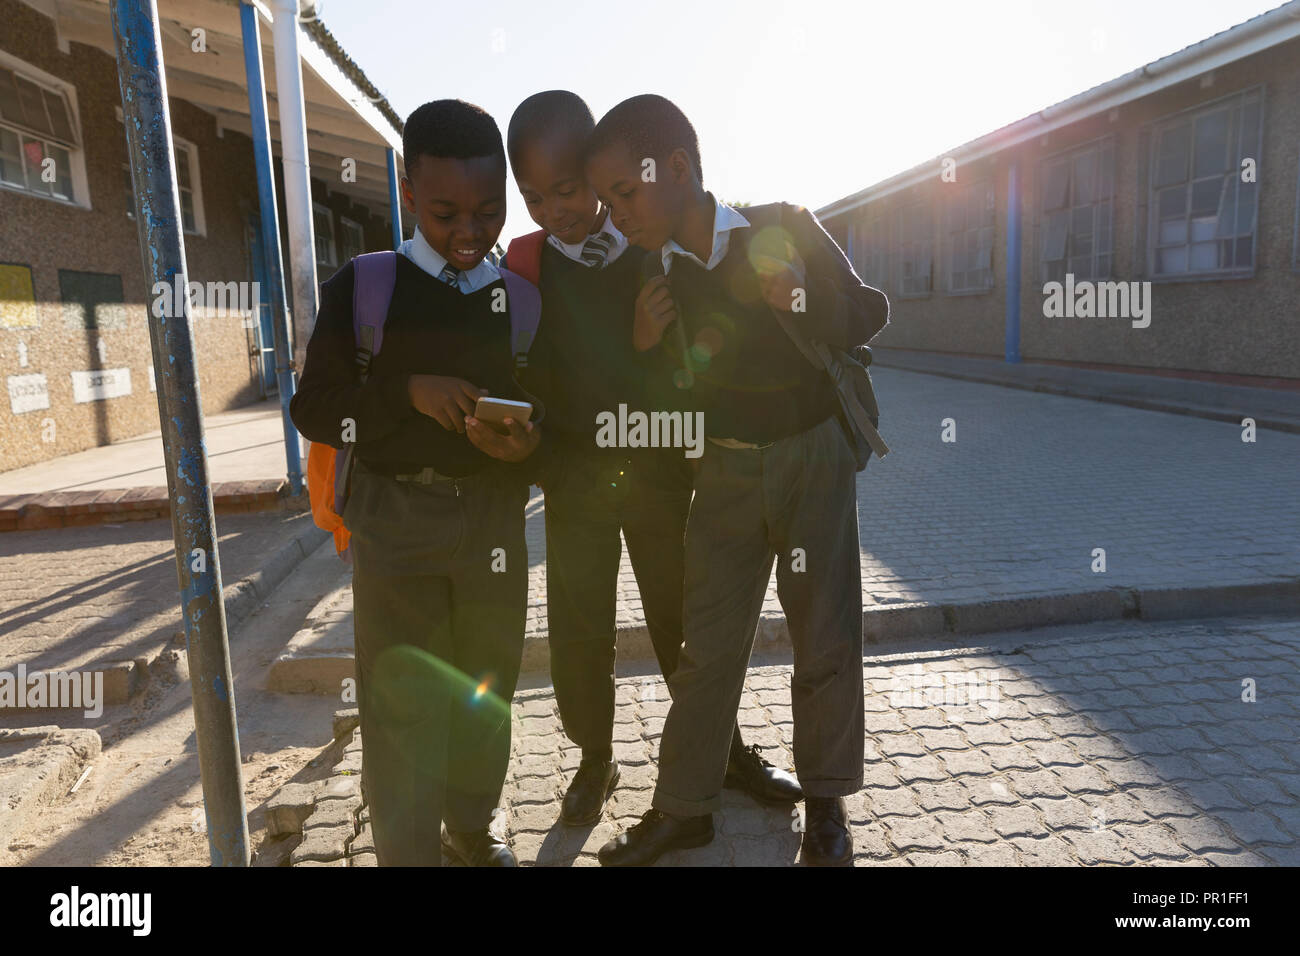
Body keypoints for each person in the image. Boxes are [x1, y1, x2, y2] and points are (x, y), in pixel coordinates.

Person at [584, 94, 889, 866]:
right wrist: (647, 343)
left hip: (813, 455)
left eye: (627, 192)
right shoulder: (653, 273)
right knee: (707, 645)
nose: (618, 216)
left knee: (824, 634)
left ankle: (826, 807)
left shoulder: (781, 223)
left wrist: (799, 294)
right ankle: (684, 809)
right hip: (722, 468)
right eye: (607, 201)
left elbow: (868, 312)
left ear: (678, 168)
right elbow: (665, 396)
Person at [505, 90, 801, 827]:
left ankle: (721, 749)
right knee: (579, 625)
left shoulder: (653, 248)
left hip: (656, 472)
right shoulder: (529, 266)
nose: (553, 211)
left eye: (568, 190)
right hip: (575, 478)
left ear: (599, 175)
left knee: (686, 620)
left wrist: (650, 359)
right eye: (533, 197)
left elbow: (689, 371)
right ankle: (595, 758)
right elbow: (537, 385)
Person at [290, 99, 542, 867]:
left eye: (488, 211)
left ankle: (472, 826)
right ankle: (407, 851)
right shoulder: (365, 288)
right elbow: (316, 409)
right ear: (406, 192)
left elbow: (549, 424)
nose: (470, 230)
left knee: (484, 685)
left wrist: (523, 450)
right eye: (445, 212)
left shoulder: (521, 302)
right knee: (401, 702)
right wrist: (405, 390)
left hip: (495, 522)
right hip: (395, 522)